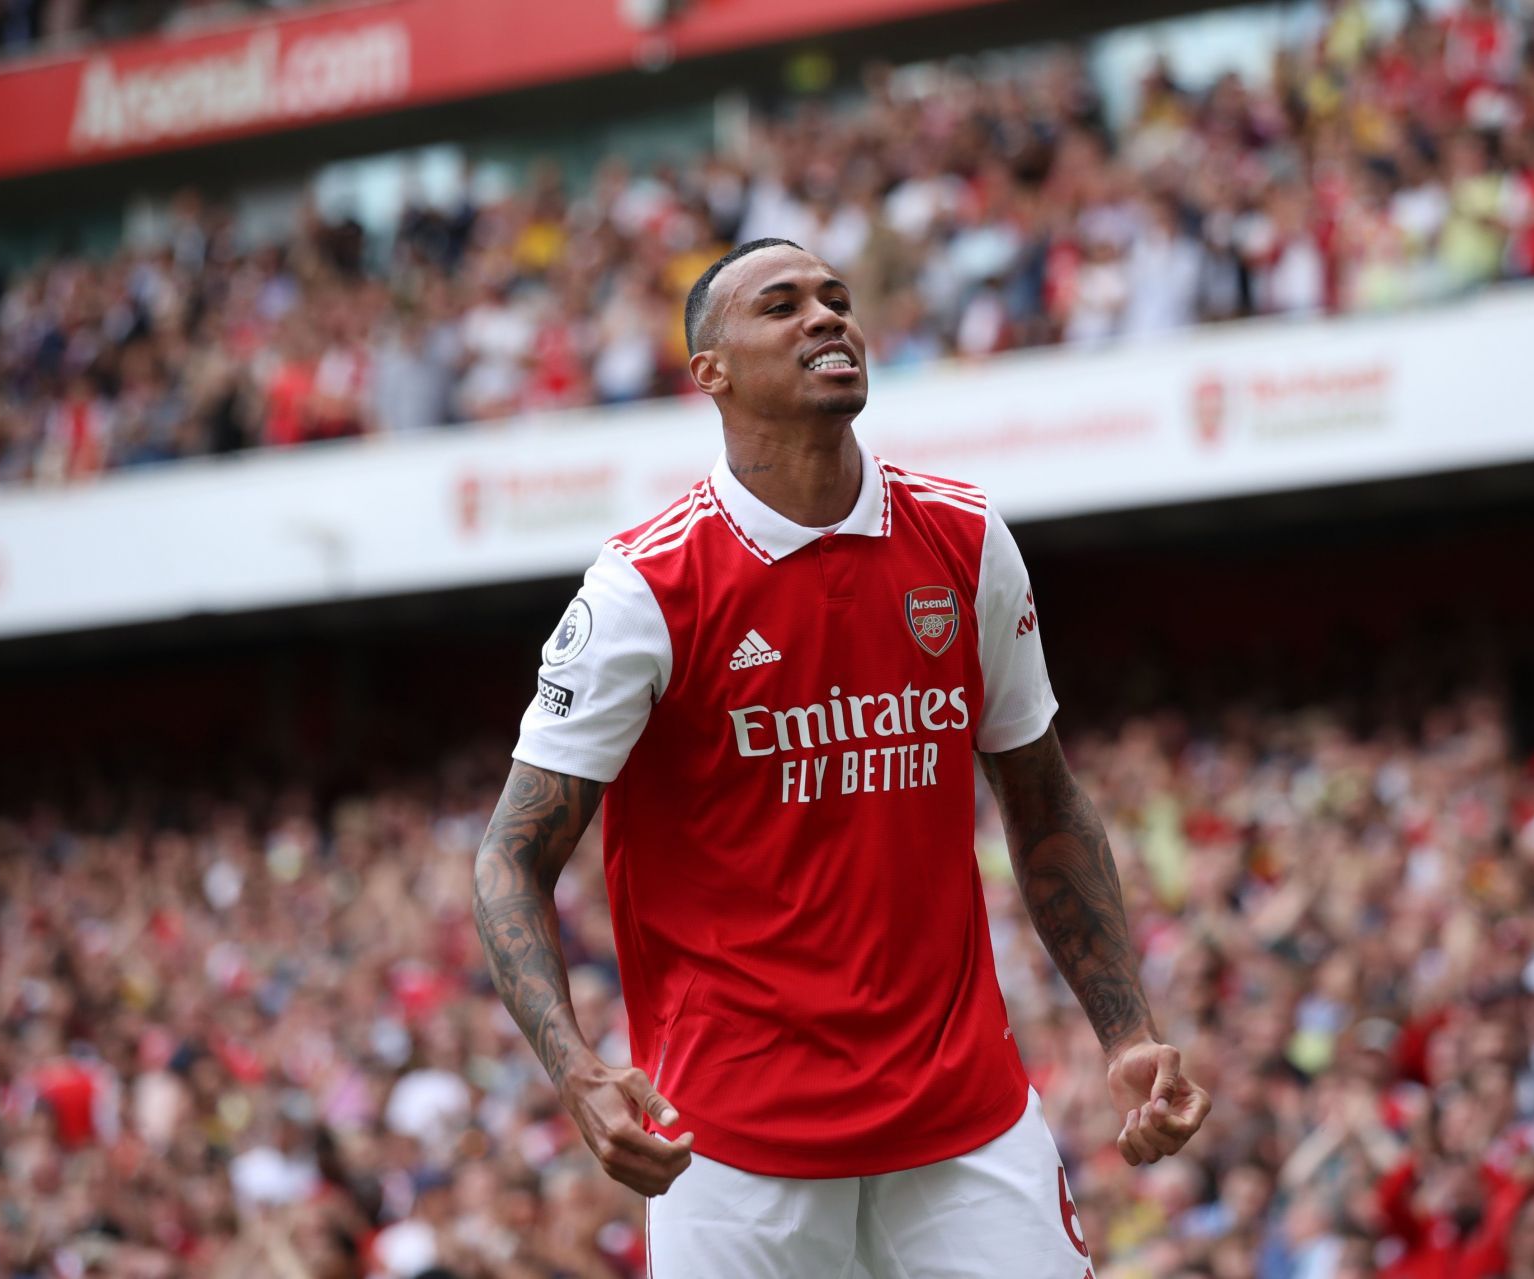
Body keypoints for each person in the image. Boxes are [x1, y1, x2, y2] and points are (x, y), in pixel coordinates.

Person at [473, 237, 1210, 1275]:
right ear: (711, 372)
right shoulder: (645, 590)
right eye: (782, 306)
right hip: (731, 1149)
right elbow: (509, 857)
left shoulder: (965, 539)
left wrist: (1126, 1030)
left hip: (964, 1120)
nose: (826, 317)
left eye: (837, 298)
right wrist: (576, 1069)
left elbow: (1044, 802)